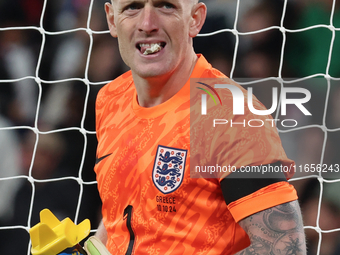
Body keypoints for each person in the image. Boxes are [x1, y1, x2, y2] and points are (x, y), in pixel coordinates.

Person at [93, 0, 307, 254]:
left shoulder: (231, 113)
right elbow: (123, 212)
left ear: (195, 19)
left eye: (166, 6)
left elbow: (283, 248)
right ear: (111, 19)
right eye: (132, 7)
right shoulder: (110, 98)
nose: (147, 24)